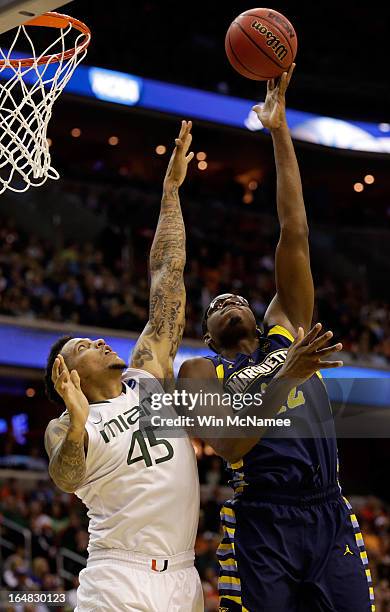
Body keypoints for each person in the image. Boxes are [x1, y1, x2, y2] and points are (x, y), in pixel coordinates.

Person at [179, 66, 375, 612]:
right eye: (215, 306)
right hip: (261, 521)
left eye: (235, 297)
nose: (227, 301)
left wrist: (280, 132)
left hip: (328, 511)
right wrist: (288, 375)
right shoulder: (200, 373)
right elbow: (231, 444)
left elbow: (295, 233)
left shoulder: (284, 327)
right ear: (209, 335)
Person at [43, 121, 205, 612]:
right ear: (69, 376)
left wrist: (171, 190)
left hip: (184, 574)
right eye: (83, 347)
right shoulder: (67, 426)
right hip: (119, 575)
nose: (97, 340)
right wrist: (75, 425)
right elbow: (68, 478)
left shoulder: (145, 374)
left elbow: (166, 278)